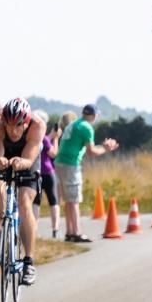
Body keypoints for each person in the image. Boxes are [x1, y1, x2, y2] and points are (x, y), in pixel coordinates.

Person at [0, 98, 46, 285]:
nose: (13, 130)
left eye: (18, 125)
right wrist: (0, 161)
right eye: (9, 125)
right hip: (4, 153)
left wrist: (23, 163)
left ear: (27, 122)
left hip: (28, 157)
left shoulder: (37, 125)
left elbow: (30, 156)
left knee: (24, 201)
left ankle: (28, 261)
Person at [54, 103, 119, 243]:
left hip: (60, 162)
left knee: (68, 200)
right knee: (74, 200)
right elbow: (92, 151)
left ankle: (70, 232)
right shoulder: (86, 127)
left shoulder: (75, 123)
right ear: (94, 115)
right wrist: (106, 149)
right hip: (71, 164)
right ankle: (76, 232)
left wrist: (102, 146)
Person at [34, 112, 62, 238]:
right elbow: (53, 153)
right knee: (53, 201)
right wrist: (56, 139)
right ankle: (55, 229)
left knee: (36, 202)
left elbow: (45, 141)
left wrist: (51, 135)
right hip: (48, 172)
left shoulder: (34, 137)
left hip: (36, 173)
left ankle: (33, 228)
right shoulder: (45, 139)